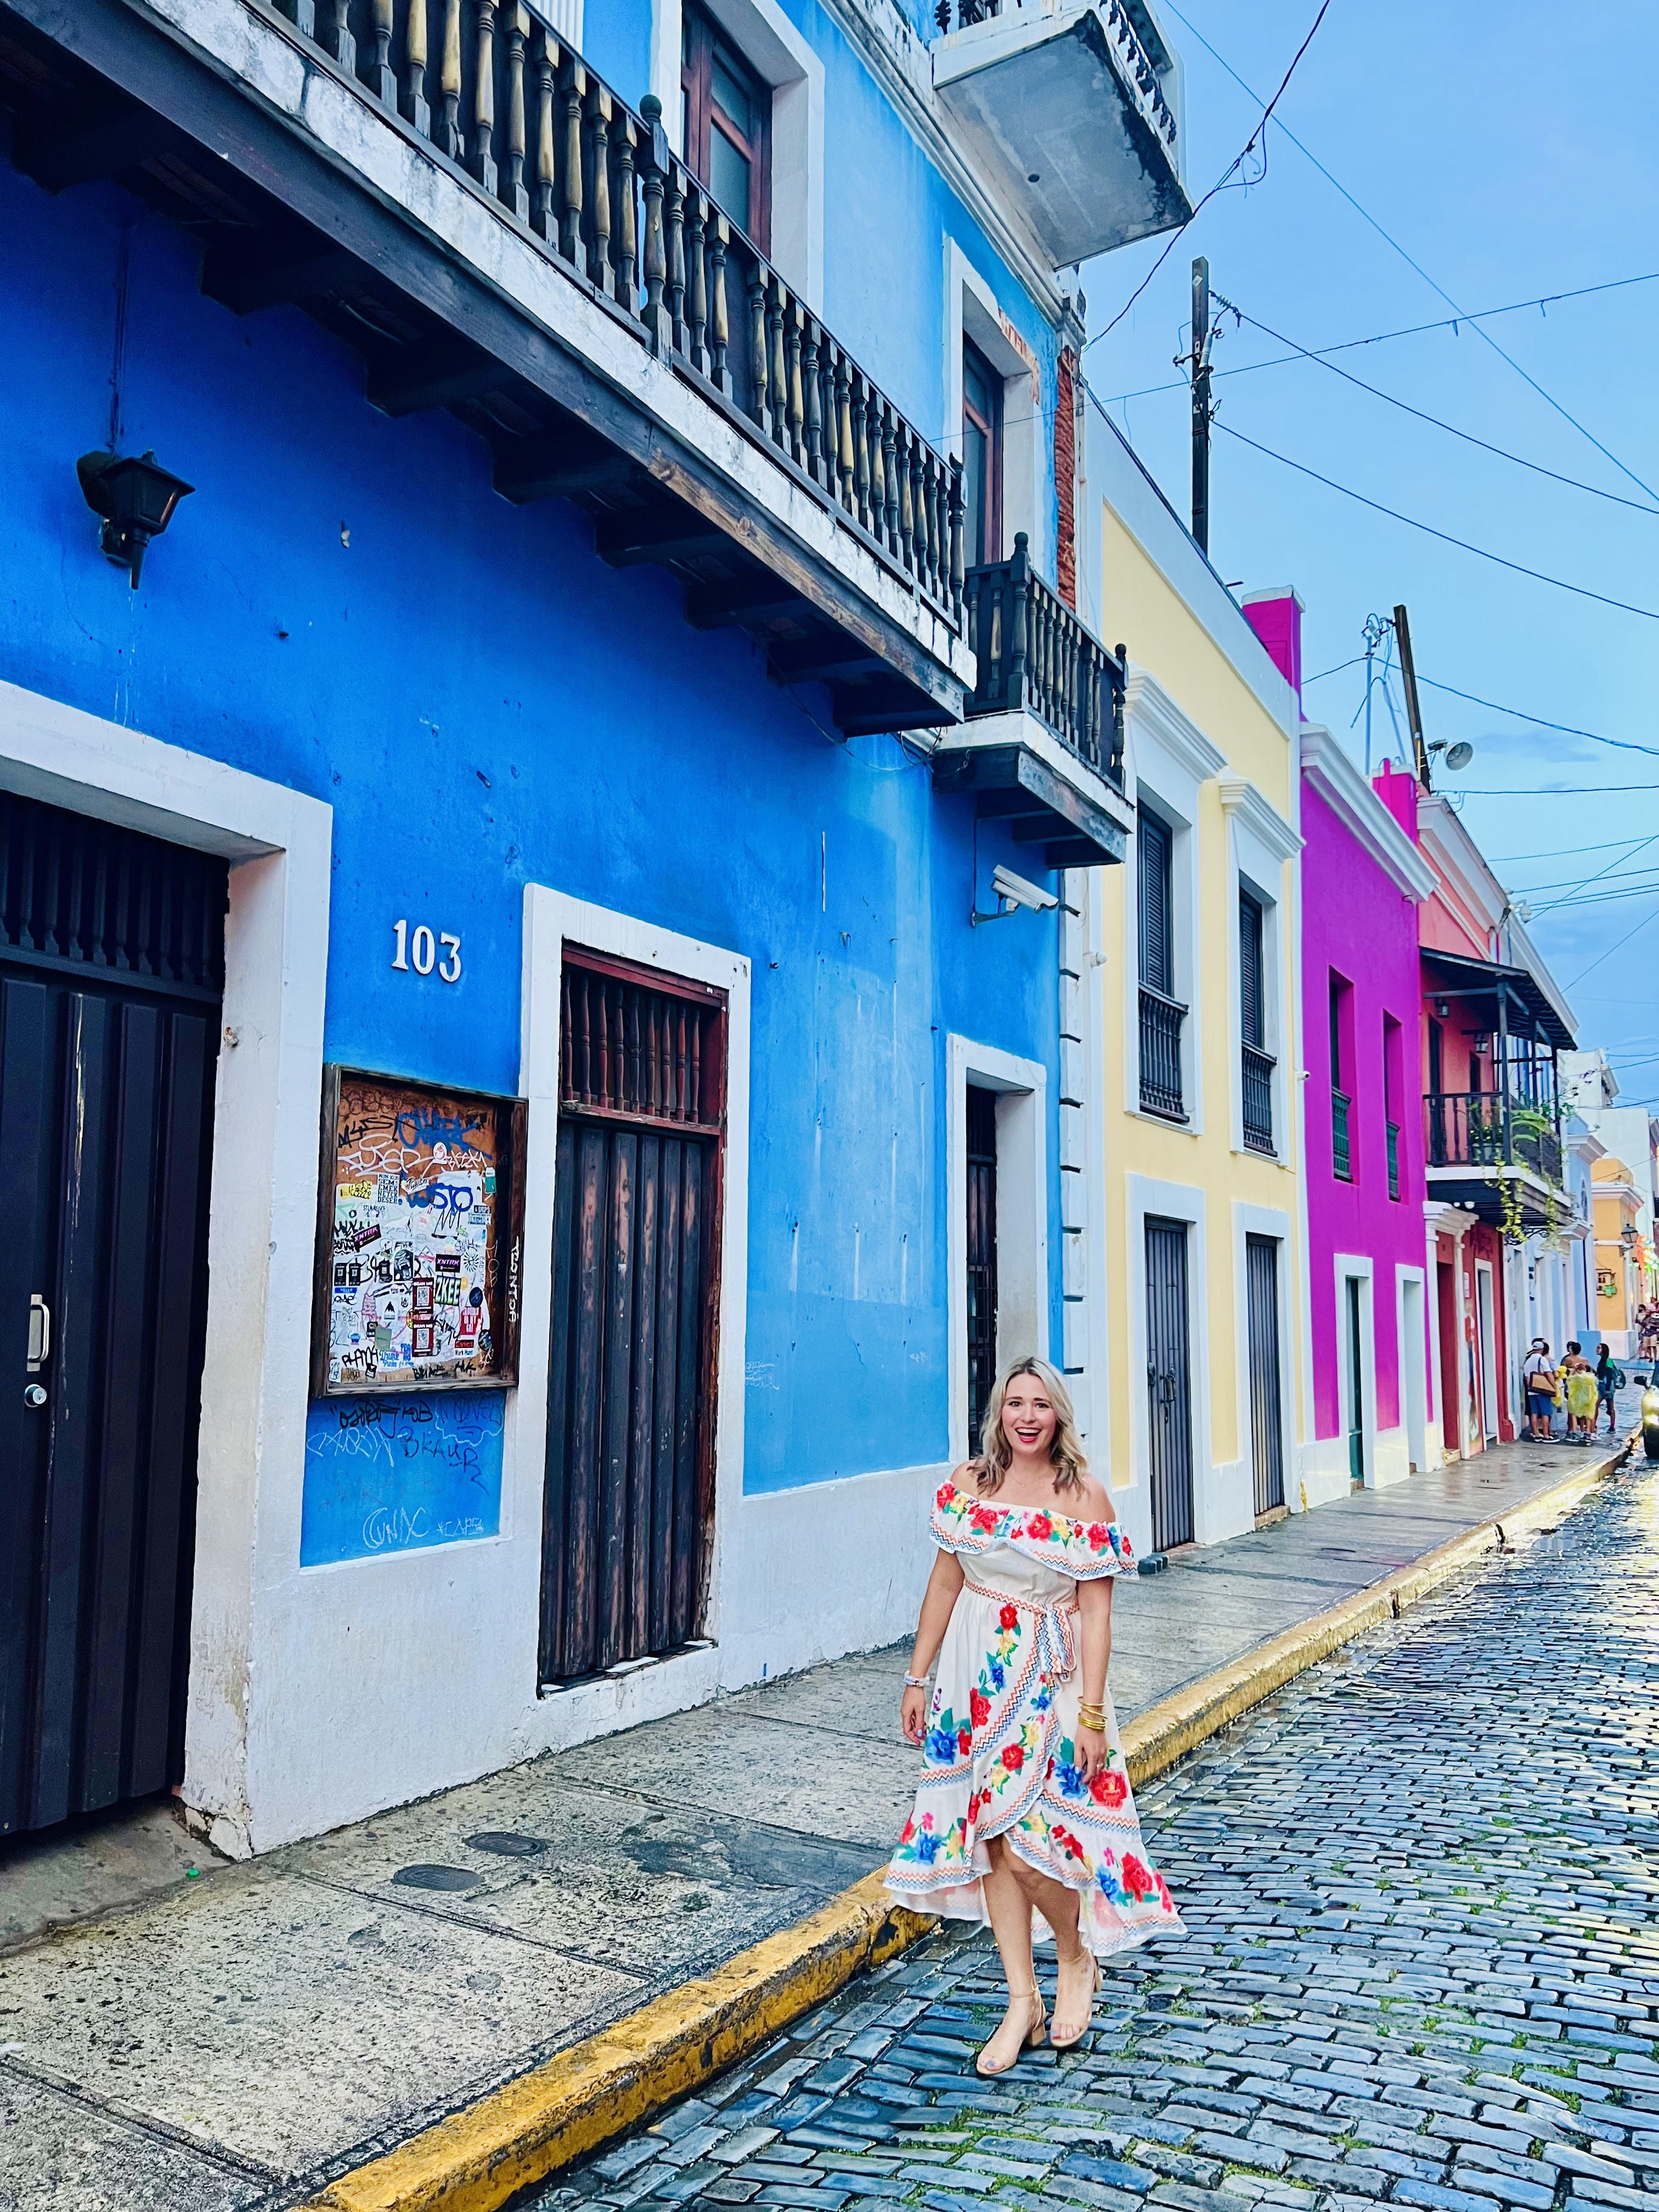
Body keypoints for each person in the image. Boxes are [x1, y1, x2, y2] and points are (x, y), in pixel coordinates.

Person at [887, 1356, 1180, 2075]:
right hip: (971, 1679)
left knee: (1029, 1845)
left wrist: (1089, 1715)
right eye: (1014, 1403)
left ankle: (1076, 1959)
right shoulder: (971, 1486)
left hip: (1052, 1682)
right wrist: (917, 1675)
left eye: (1039, 1405)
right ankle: (1022, 2000)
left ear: (1058, 1416)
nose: (1025, 1416)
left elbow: (1099, 1615)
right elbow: (946, 1584)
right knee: (986, 1839)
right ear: (999, 1412)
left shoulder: (1083, 1496)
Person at [1561, 1342, 1596, 1444]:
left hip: (1573, 1389)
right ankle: (1586, 1431)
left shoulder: (1567, 1360)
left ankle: (1572, 1430)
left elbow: (1563, 1373)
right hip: (1586, 1391)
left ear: (1571, 1350)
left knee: (1572, 1410)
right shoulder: (1585, 1361)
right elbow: (1592, 1373)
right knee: (1586, 1412)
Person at [1521, 1339, 1556, 1440]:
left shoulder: (1528, 1361)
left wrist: (1532, 1388)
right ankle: (1546, 1435)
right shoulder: (1542, 1360)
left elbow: (1528, 1378)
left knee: (1534, 1413)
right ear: (1542, 1350)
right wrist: (1553, 1386)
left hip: (1532, 1390)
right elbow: (1548, 1374)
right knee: (1546, 1412)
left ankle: (1536, 1434)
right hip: (1543, 1390)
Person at [1596, 1342, 1624, 1436]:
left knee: (1610, 1407)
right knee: (1595, 1405)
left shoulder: (1609, 1361)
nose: (1597, 1349)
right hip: (1601, 1386)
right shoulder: (1602, 1361)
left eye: (1599, 1348)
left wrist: (1608, 1389)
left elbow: (1609, 1374)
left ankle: (1612, 1426)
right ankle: (1594, 1424)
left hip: (1607, 1386)